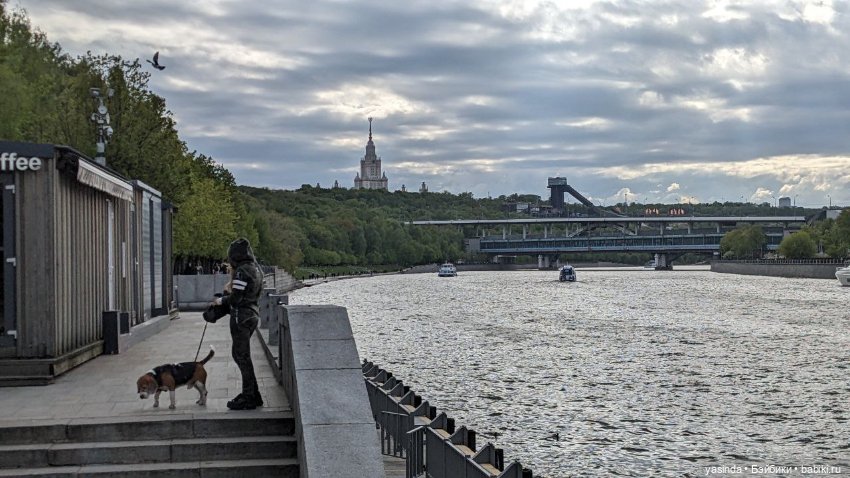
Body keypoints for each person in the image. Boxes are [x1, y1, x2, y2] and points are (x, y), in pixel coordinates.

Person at [205, 238, 264, 410]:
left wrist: (220, 300)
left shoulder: (241, 271)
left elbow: (236, 298)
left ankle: (248, 397)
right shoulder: (256, 269)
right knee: (243, 356)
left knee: (241, 357)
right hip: (253, 314)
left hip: (241, 316)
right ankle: (254, 393)